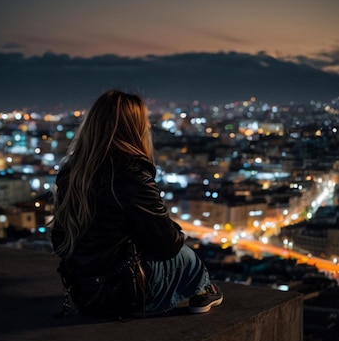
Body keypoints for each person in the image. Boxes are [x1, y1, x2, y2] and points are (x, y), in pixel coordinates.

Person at [51, 89, 223, 318]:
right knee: (187, 256)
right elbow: (167, 245)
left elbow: (60, 240)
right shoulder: (132, 175)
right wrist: (175, 232)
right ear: (135, 128)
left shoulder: (71, 172)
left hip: (83, 291)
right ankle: (204, 289)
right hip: (125, 293)